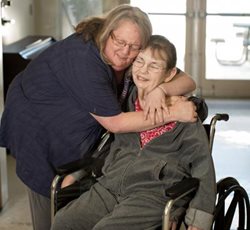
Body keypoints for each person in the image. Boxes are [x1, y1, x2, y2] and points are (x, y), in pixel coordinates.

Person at [0, 5, 197, 230]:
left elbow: (188, 81)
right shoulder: (83, 57)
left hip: (84, 127)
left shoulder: (139, 58)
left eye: (134, 47)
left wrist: (161, 91)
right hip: (38, 121)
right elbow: (115, 123)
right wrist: (172, 112)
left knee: (88, 198)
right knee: (52, 204)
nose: (125, 52)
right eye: (120, 42)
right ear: (107, 31)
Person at [51, 35, 216, 230]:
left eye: (154, 66)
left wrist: (197, 219)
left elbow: (203, 168)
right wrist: (81, 172)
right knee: (64, 222)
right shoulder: (124, 105)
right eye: (140, 61)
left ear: (170, 74)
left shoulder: (184, 115)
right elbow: (106, 145)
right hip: (110, 186)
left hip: (152, 195)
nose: (143, 70)